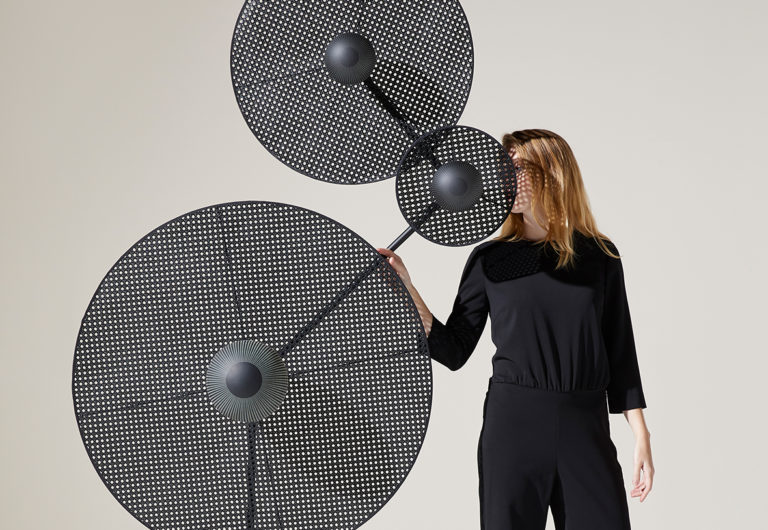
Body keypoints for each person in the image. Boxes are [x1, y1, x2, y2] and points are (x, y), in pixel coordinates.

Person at [377, 129, 654, 530]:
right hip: (513, 423)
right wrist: (407, 288)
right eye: (504, 169)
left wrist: (641, 434)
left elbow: (620, 350)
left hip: (585, 423)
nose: (506, 179)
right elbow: (453, 350)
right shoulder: (490, 259)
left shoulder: (599, 256)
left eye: (519, 168)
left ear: (553, 173)